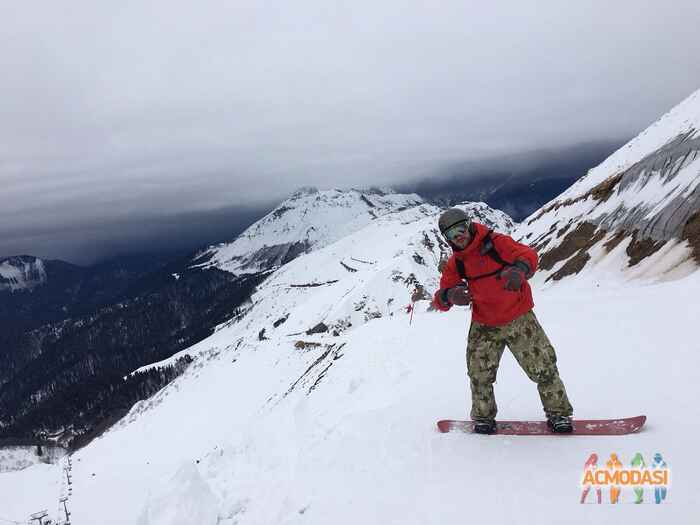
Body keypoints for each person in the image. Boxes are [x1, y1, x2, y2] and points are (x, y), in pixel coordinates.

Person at [432, 208, 574, 434]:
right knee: (479, 373)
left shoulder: (496, 243)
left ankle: (559, 415)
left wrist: (520, 271)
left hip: (518, 316)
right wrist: (450, 296)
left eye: (460, 229)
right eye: (451, 234)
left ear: (468, 225)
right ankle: (483, 418)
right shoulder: (456, 263)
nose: (458, 236)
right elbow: (440, 299)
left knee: (543, 367)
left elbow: (528, 255)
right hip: (484, 323)